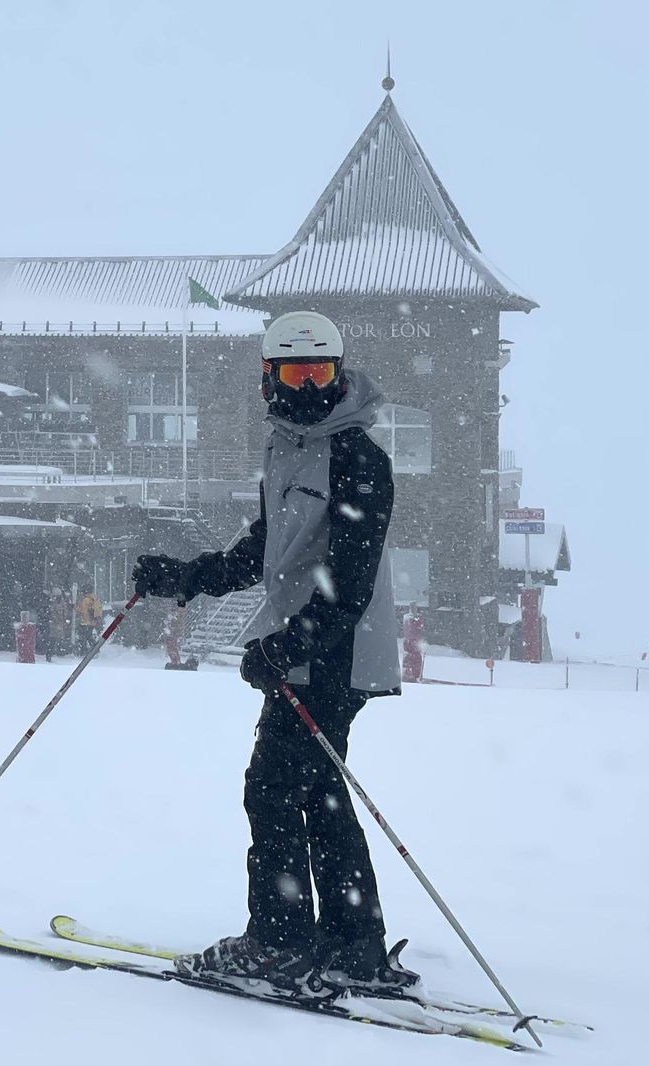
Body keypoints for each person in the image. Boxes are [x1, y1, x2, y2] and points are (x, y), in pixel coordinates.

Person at [130, 310, 408, 1000]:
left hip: (336, 654)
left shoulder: (358, 459)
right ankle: (351, 944)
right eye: (295, 372)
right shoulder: (286, 447)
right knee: (315, 790)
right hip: (307, 648)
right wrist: (189, 576)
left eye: (322, 372)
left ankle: (280, 945)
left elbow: (347, 584)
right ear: (268, 379)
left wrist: (289, 646)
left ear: (340, 375)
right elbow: (268, 547)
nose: (310, 386)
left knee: (275, 787)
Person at [45, 588, 73, 663]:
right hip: (54, 624)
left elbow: (65, 612)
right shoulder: (52, 602)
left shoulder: (62, 602)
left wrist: (65, 621)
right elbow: (51, 613)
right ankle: (50, 654)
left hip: (59, 624)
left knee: (58, 639)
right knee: (53, 639)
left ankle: (58, 652)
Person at [75, 588, 102, 653]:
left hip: (85, 621)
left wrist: (75, 607)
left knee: (84, 636)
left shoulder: (86, 600)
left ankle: (88, 650)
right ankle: (94, 649)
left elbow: (82, 610)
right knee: (87, 636)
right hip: (90, 622)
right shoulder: (94, 599)